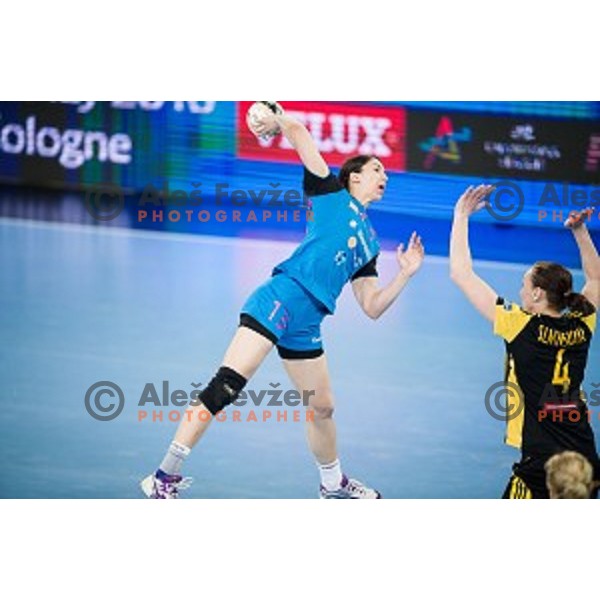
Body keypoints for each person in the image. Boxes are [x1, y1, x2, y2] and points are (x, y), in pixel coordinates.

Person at [141, 103, 425, 499]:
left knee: (323, 407)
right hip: (280, 299)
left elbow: (372, 306)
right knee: (227, 385)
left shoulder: (371, 244)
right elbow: (300, 135)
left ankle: (332, 485)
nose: (385, 176)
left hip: (308, 323)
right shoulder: (330, 195)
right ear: (354, 176)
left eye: (385, 172)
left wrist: (406, 275)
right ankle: (162, 476)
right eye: (378, 169)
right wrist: (276, 117)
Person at [450, 186, 600, 499]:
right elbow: (596, 280)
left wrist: (461, 216)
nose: (519, 292)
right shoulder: (582, 322)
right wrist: (580, 231)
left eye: (523, 285)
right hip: (584, 457)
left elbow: (462, 274)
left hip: (543, 463)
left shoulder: (520, 325)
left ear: (537, 294)